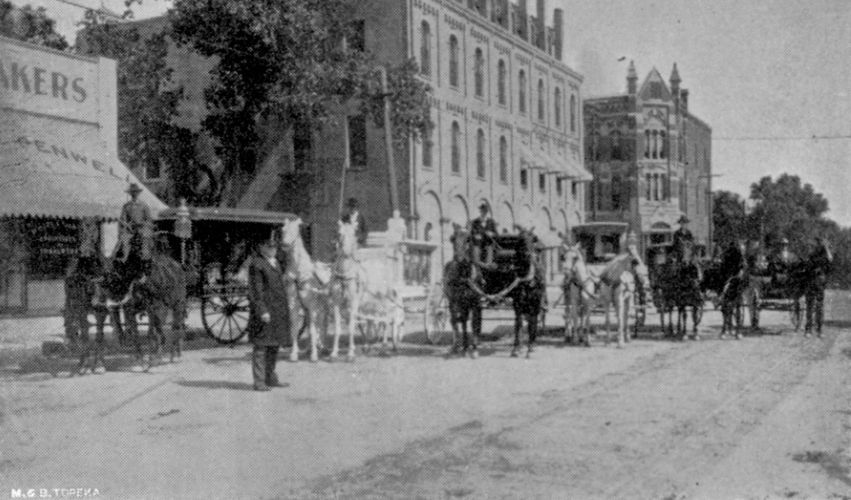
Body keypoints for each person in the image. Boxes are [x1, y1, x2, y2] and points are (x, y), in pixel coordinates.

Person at [246, 237, 290, 391]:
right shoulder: (257, 264)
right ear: (261, 247)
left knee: (274, 345)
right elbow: (255, 291)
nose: (273, 249)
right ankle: (259, 382)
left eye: (275, 247)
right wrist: (262, 310)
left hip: (277, 310)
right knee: (261, 346)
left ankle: (270, 377)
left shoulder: (275, 262)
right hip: (265, 311)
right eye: (269, 247)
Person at [114, 183, 154, 279]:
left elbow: (149, 219)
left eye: (135, 193)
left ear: (138, 193)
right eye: (132, 193)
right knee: (123, 240)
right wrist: (125, 224)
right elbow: (123, 219)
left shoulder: (144, 205)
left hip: (142, 229)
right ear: (130, 194)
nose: (134, 194)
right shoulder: (126, 206)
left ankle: (145, 266)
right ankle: (122, 261)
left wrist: (143, 224)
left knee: (143, 241)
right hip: (130, 230)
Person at [470, 203, 498, 269]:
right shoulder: (475, 222)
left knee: (489, 249)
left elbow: (497, 235)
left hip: (488, 244)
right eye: (482, 211)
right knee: (475, 251)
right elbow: (471, 234)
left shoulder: (491, 222)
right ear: (480, 211)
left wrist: (492, 234)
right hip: (478, 244)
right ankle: (478, 265)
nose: (483, 213)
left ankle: (488, 266)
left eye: (485, 211)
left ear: (487, 212)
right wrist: (475, 236)